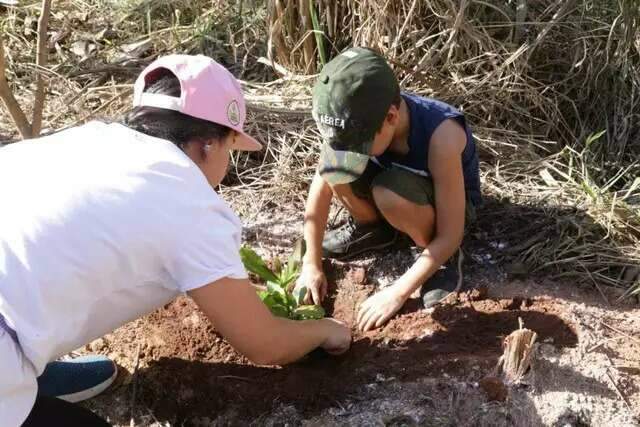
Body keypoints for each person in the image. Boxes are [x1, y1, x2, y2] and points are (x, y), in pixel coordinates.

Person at [0, 54, 351, 427]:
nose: (227, 162)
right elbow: (264, 343)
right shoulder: (187, 199)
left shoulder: (91, 138)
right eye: (231, 147)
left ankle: (32, 372)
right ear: (208, 145)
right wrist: (327, 331)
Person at [295, 47, 481, 332]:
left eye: (359, 146)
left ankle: (441, 259)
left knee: (388, 193)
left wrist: (398, 291)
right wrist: (311, 261)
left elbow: (451, 232)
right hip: (395, 189)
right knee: (336, 169)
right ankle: (374, 230)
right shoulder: (353, 119)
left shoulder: (441, 136)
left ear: (392, 117)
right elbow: (321, 186)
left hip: (446, 210)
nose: (351, 151)